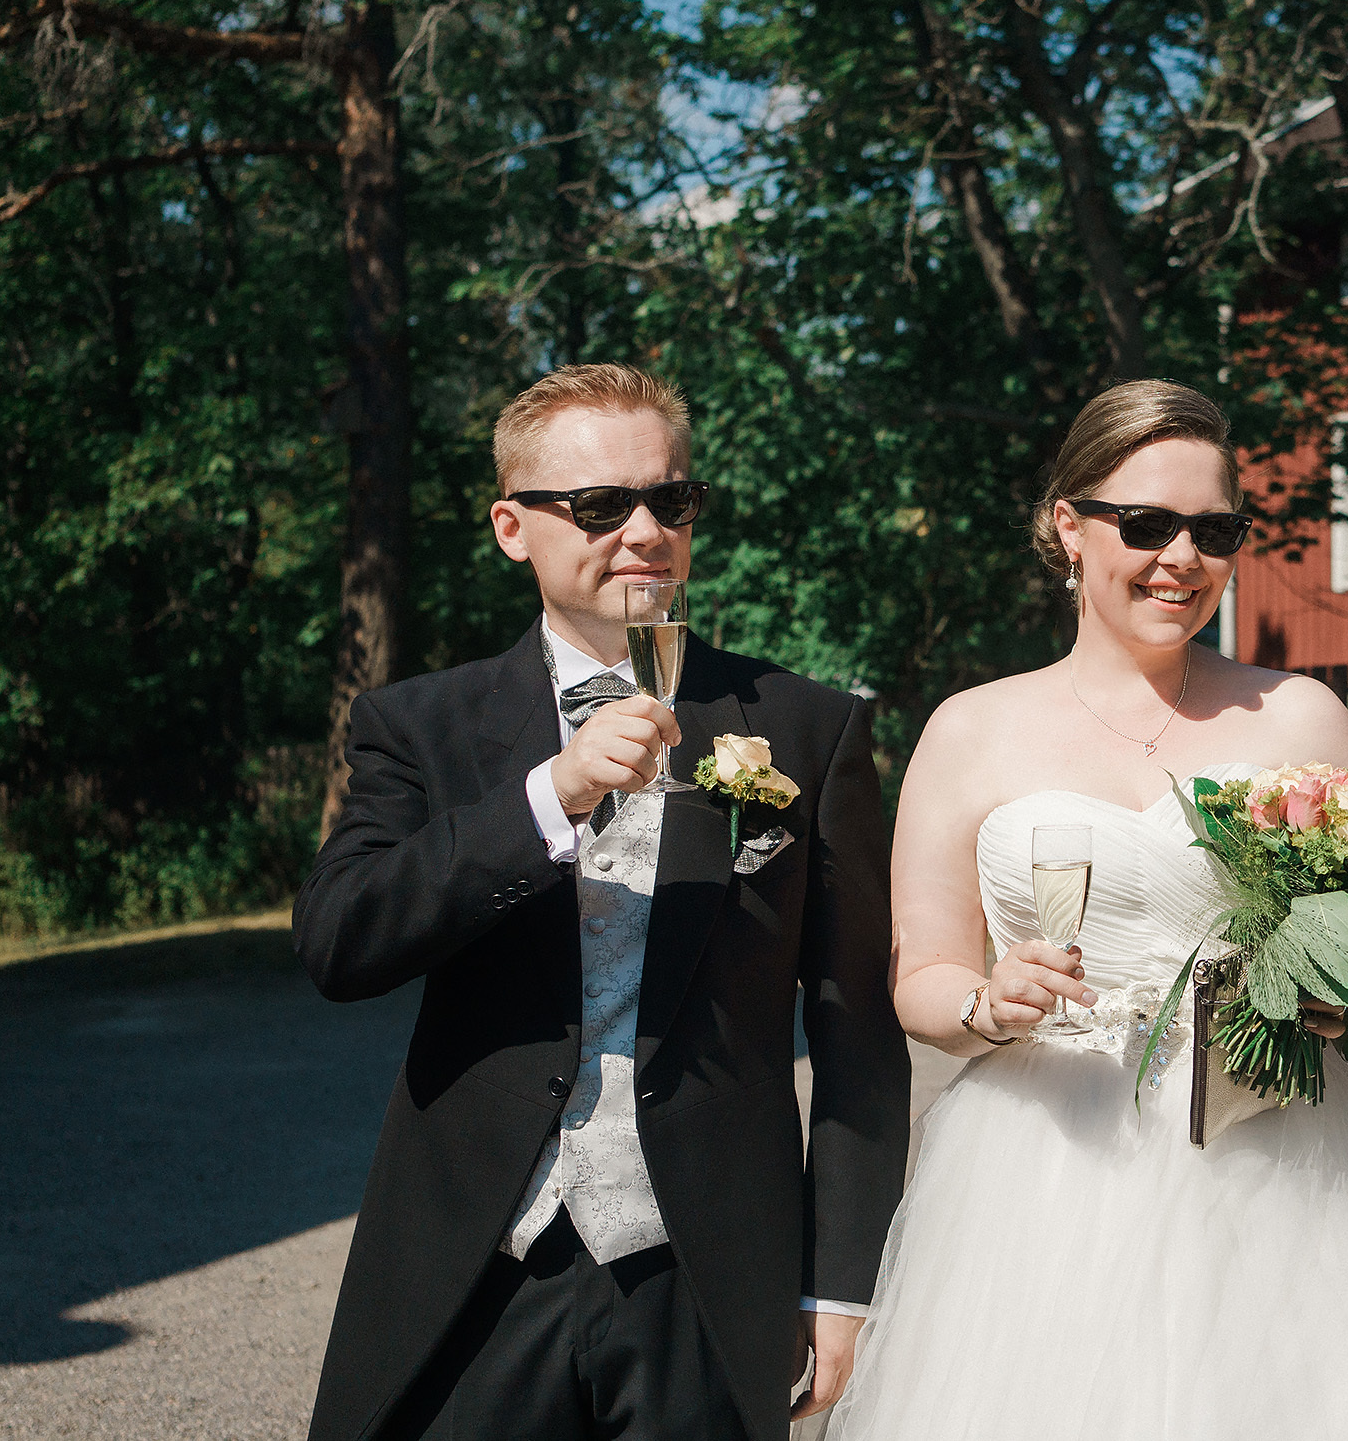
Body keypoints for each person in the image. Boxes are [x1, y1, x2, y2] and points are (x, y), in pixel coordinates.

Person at [821, 380, 1348, 1439]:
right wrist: (991, 1005)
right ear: (1069, 527)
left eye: (1213, 530)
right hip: (1046, 1171)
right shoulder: (970, 731)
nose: (1181, 558)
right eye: (1145, 525)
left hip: (1287, 1158)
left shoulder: (1298, 715)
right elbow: (920, 978)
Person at [295, 363, 910, 1441]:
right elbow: (343, 945)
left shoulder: (809, 730)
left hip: (706, 1273)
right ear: (509, 527)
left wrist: (841, 1287)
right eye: (597, 506)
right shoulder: (418, 725)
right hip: (477, 1266)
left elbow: (858, 1034)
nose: (643, 529)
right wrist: (552, 795)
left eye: (669, 500)